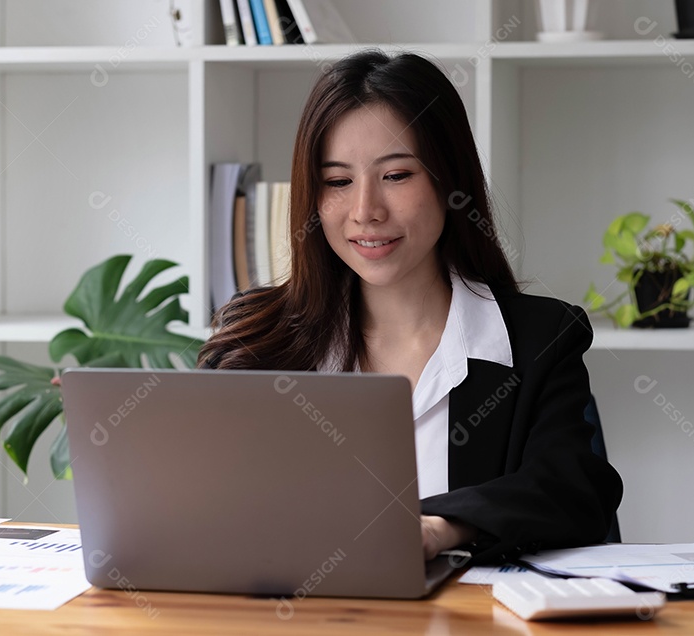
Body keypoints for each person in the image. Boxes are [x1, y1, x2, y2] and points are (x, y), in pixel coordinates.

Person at [196, 50, 623, 564]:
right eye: (337, 182)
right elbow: (208, 502)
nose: (365, 211)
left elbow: (576, 491)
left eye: (396, 175)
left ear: (450, 181)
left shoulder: (539, 338)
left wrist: (441, 528)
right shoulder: (254, 336)